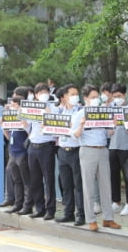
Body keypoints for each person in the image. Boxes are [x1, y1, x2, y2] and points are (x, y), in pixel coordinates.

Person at [72, 84, 121, 231]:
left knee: (106, 185)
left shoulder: (102, 112)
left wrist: (113, 126)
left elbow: (108, 133)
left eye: (96, 97)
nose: (95, 100)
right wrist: (81, 125)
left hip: (102, 149)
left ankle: (108, 218)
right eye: (92, 97)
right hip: (88, 150)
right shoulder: (80, 114)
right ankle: (91, 219)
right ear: (85, 98)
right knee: (89, 186)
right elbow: (74, 135)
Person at [24, 82, 58, 220]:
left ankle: (51, 210)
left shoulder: (53, 108)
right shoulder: (32, 109)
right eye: (40, 92)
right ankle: (39, 208)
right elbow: (28, 128)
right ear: (36, 95)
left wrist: (46, 113)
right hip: (33, 145)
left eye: (45, 92)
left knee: (49, 179)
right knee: (35, 179)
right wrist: (24, 123)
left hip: (46, 146)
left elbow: (54, 125)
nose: (43, 94)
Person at [55, 84, 85, 226]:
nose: (75, 97)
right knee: (66, 185)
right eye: (72, 94)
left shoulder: (80, 111)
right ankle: (68, 213)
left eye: (76, 94)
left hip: (76, 151)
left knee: (78, 185)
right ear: (65, 97)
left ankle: (81, 214)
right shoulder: (60, 113)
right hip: (62, 150)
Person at [1, 96, 33, 214]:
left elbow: (30, 132)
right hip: (13, 152)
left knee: (26, 180)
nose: (12, 108)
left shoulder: (24, 117)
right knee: (16, 180)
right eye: (11, 105)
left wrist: (23, 122)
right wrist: (3, 126)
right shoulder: (12, 120)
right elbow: (9, 136)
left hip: (22, 152)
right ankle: (17, 204)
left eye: (14, 105)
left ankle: (27, 205)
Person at [108, 83, 128, 215]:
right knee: (113, 175)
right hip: (113, 145)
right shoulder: (110, 109)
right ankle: (116, 201)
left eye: (119, 96)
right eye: (114, 96)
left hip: (127, 147)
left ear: (125, 95)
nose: (116, 99)